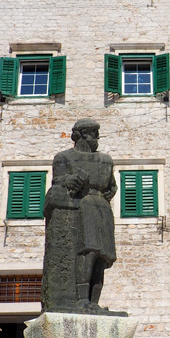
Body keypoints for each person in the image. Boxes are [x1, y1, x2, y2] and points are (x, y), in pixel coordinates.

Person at [42, 118, 125, 315]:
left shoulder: (105, 160)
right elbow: (58, 181)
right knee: (88, 252)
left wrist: (103, 195)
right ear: (80, 135)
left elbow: (112, 186)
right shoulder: (63, 158)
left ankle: (94, 303)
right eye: (92, 133)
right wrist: (70, 180)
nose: (96, 137)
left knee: (102, 258)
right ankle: (81, 300)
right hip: (82, 208)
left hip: (102, 208)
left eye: (97, 133)